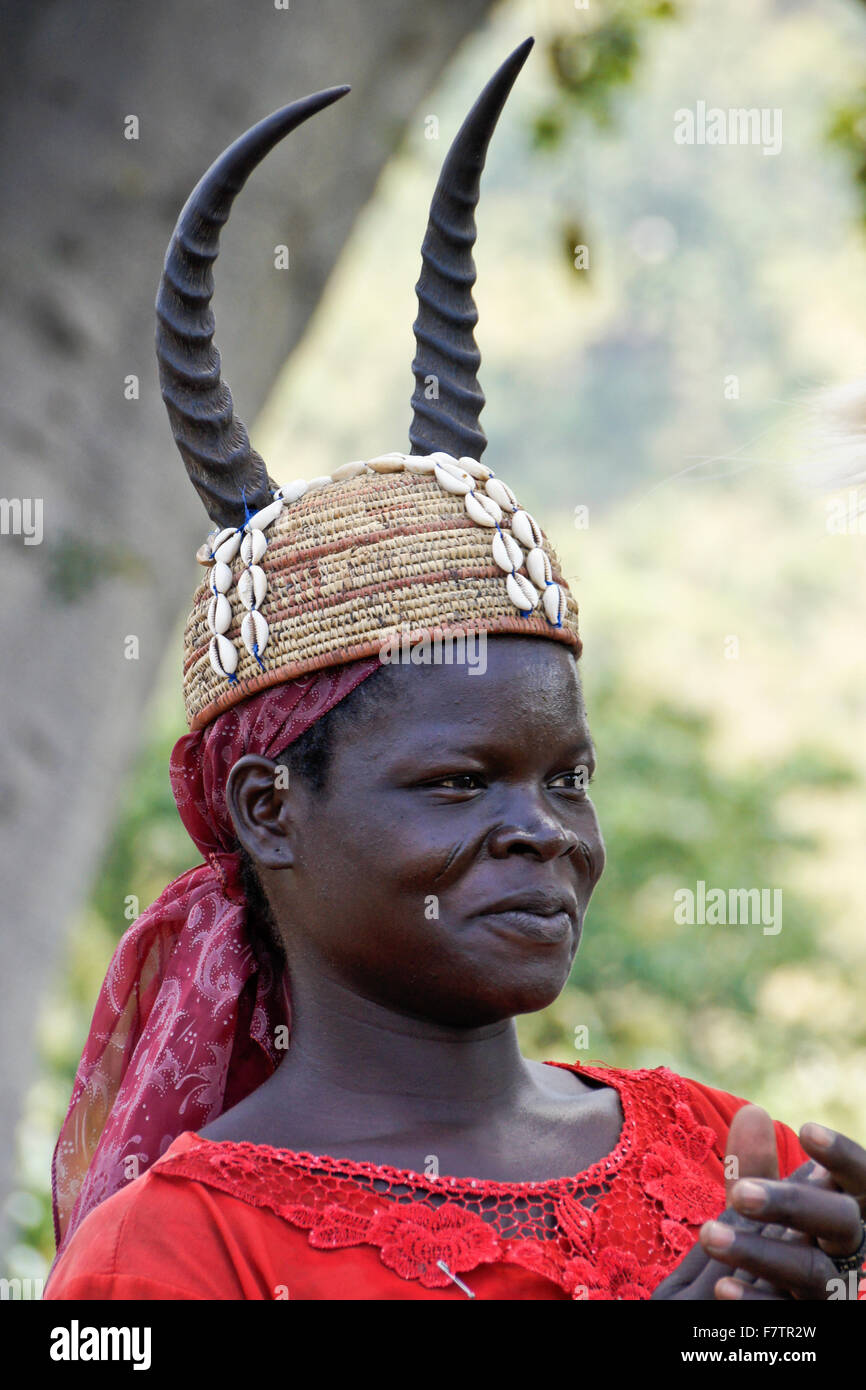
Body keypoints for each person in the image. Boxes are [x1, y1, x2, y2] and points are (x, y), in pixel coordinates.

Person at [44, 40, 866, 1302]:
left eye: (565, 779)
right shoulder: (168, 1255)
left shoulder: (729, 1159)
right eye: (456, 781)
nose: (541, 832)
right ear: (271, 809)